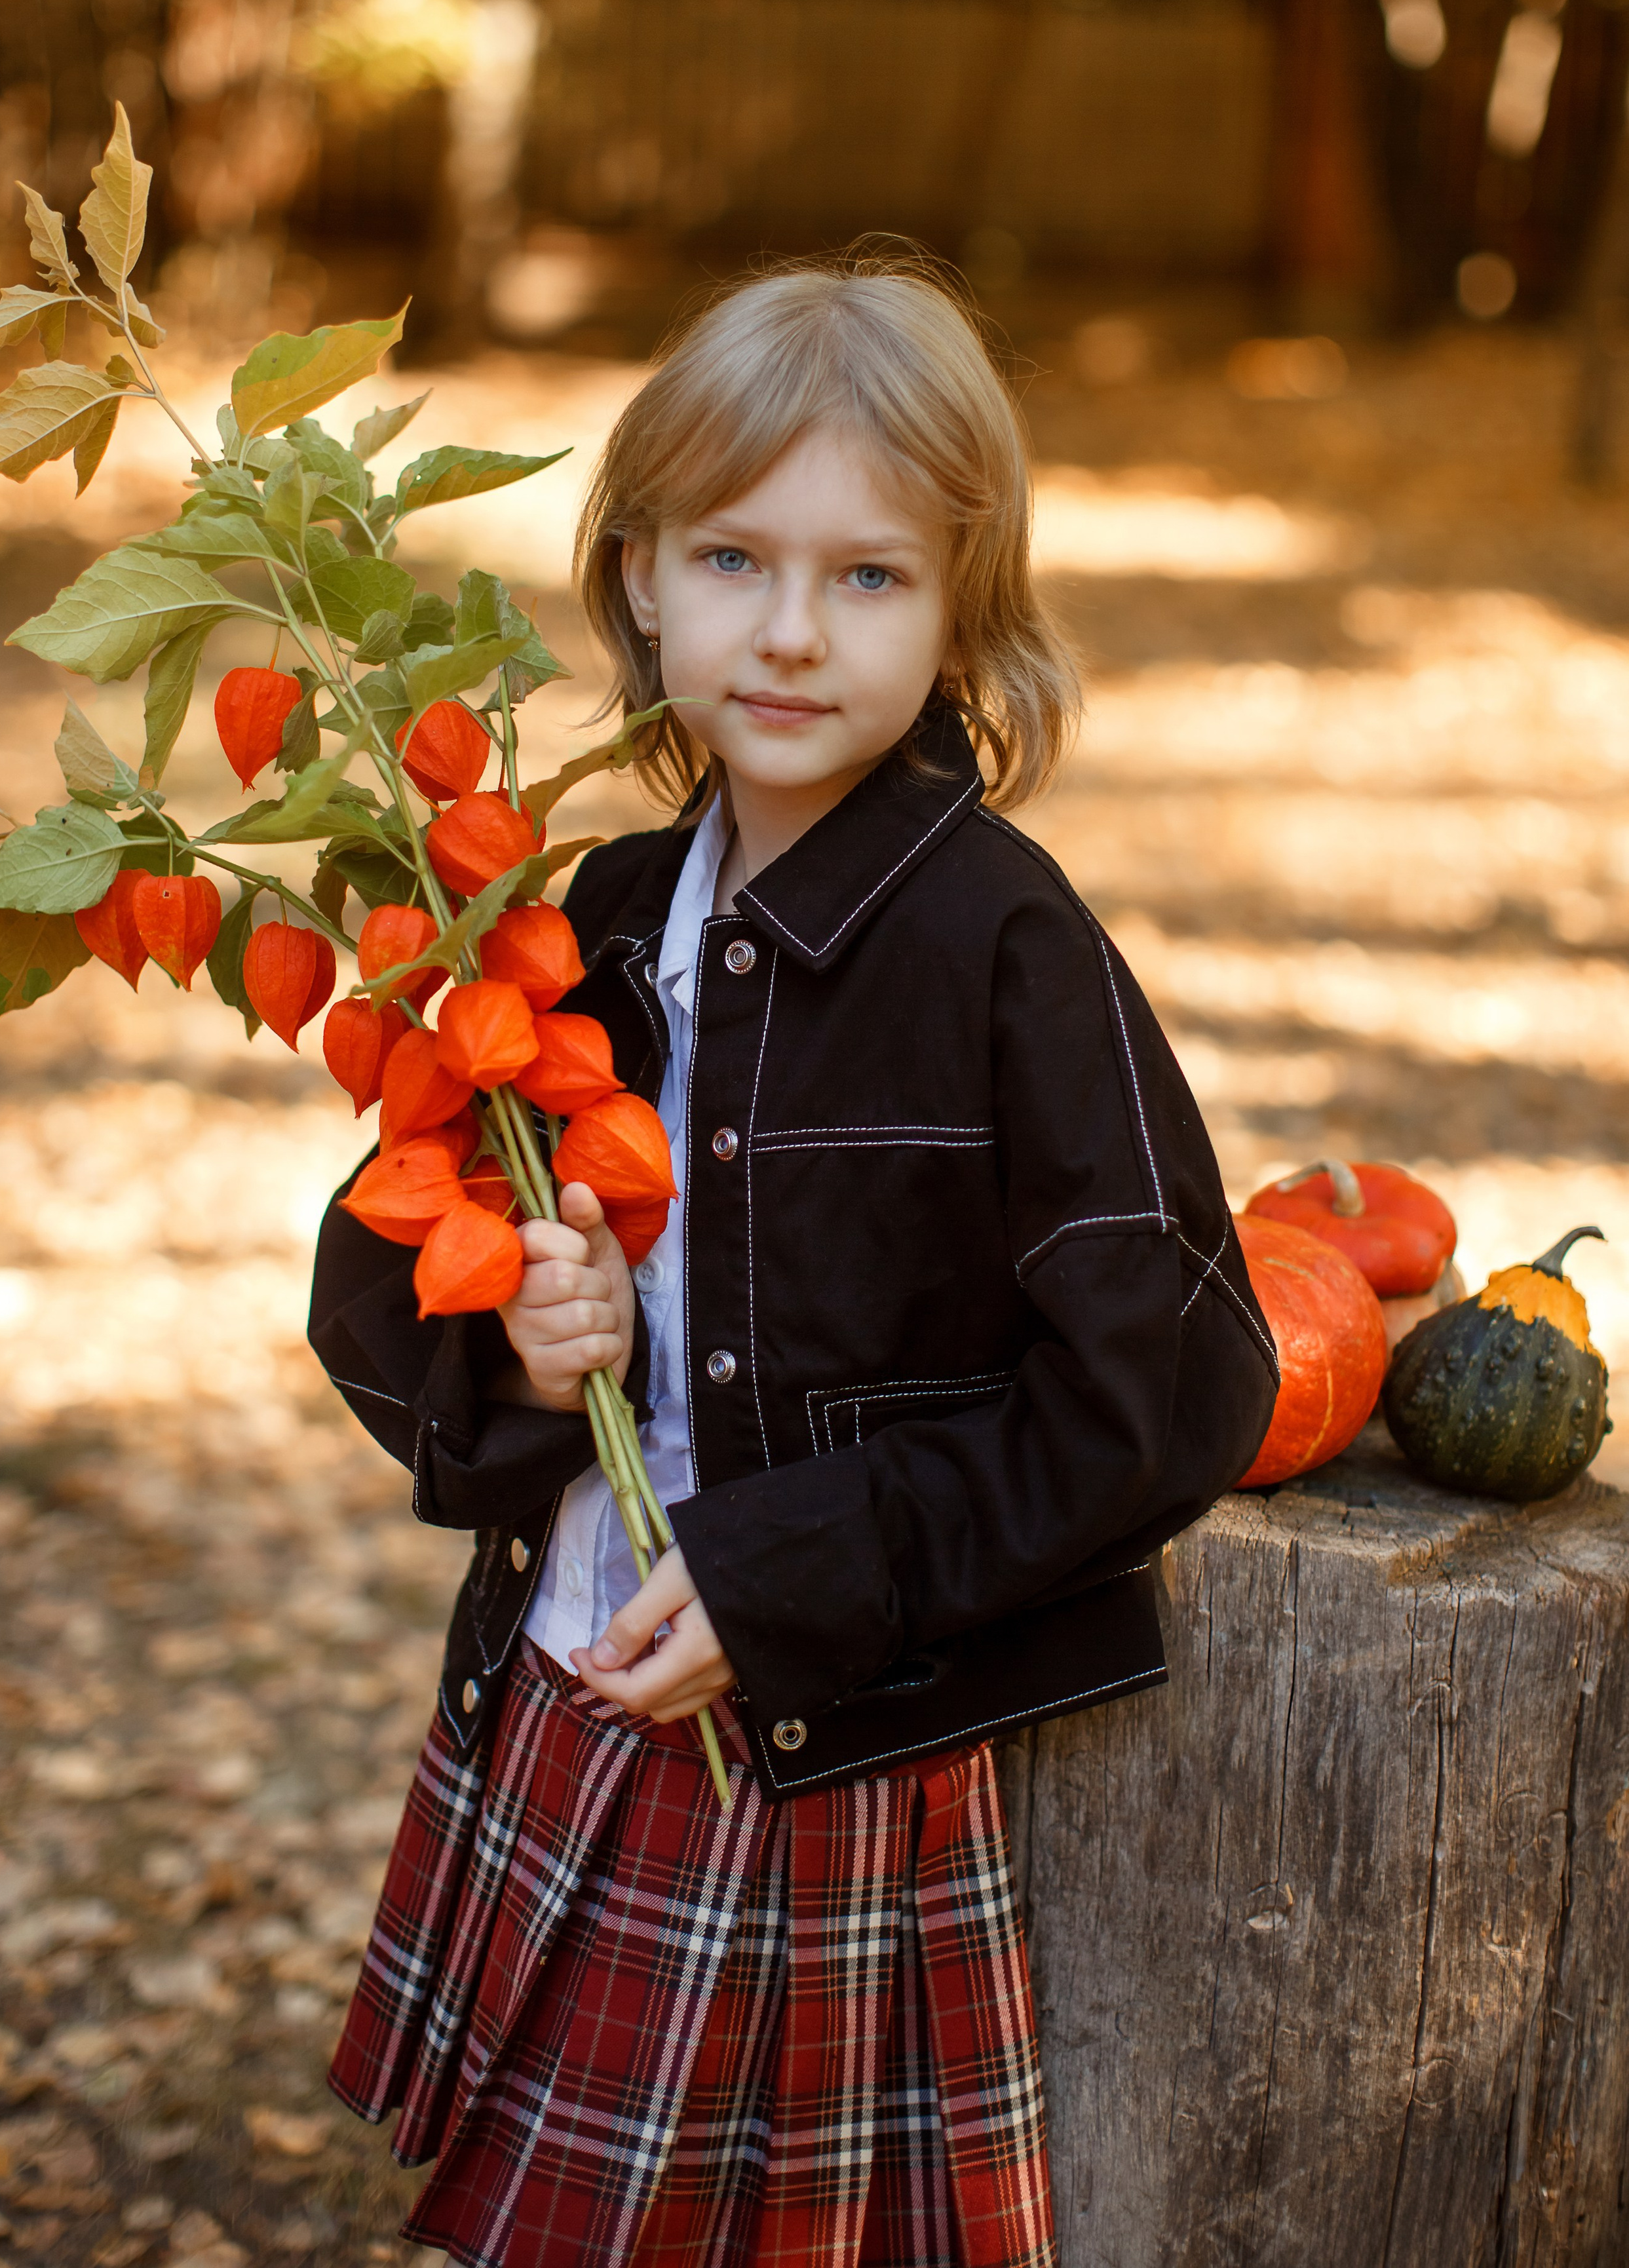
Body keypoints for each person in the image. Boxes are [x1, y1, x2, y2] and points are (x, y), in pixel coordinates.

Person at [308, 254, 1278, 2268]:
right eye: (737, 558)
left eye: (869, 579)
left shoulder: (1006, 948)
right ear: (641, 573)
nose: (790, 632)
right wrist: (509, 1334)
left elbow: (1172, 1386)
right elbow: (383, 1261)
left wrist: (799, 1567)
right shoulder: (584, 909)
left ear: (961, 613)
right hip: (578, 1679)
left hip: (813, 1753)